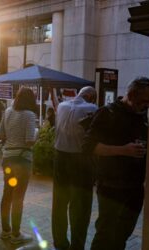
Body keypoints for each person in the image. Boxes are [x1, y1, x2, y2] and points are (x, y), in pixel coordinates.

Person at [83, 77, 149, 250]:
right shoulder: (107, 113)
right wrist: (123, 150)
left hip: (135, 188)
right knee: (105, 233)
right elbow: (88, 146)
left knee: (123, 234)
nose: (147, 105)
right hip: (111, 186)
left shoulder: (143, 116)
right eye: (144, 101)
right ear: (130, 95)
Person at [52, 86, 98, 250]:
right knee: (81, 206)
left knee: (59, 202)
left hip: (60, 157)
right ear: (91, 97)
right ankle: (77, 246)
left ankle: (60, 243)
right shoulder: (92, 108)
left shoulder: (62, 106)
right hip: (81, 160)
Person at [0, 88, 37, 245]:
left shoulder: (7, 111)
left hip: (7, 158)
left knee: (7, 194)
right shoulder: (29, 115)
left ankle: (5, 231)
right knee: (18, 197)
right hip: (22, 160)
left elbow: (1, 135)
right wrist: (38, 134)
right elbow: (29, 141)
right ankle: (16, 234)